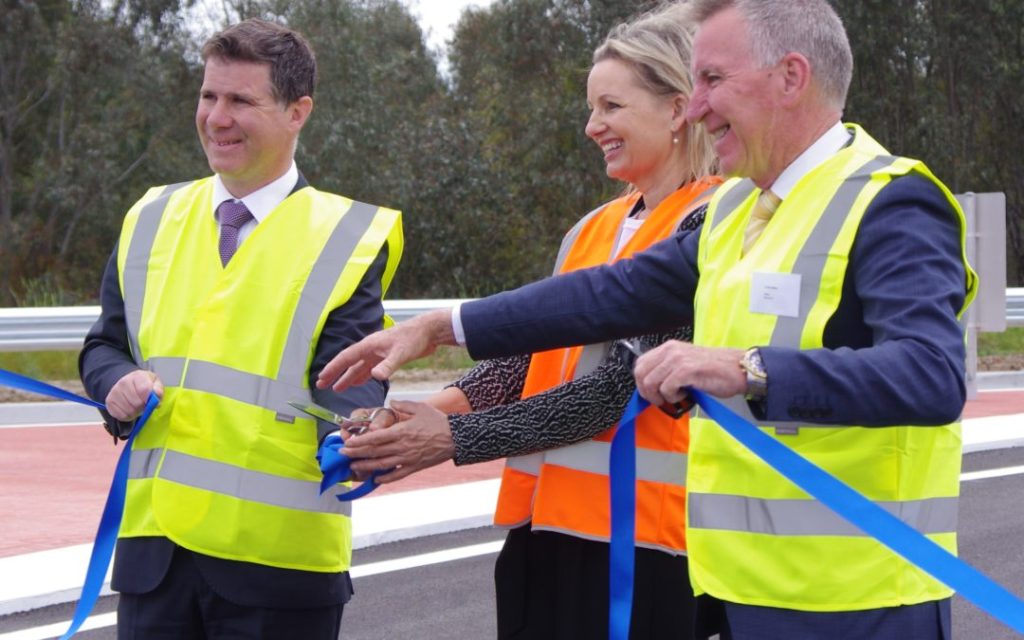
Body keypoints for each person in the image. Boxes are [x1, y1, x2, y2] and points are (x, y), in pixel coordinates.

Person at [318, 0, 978, 638]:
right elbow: (605, 295)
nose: (695, 106)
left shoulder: (893, 202)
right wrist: (445, 326)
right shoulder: (737, 214)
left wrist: (742, 368)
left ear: (791, 77)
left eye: (712, 80)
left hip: (860, 600)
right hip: (742, 590)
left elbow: (932, 374)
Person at [341, 4, 719, 638]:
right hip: (544, 532)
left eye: (612, 107)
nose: (593, 125)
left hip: (643, 547)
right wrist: (415, 414)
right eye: (592, 107)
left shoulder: (710, 224)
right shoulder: (592, 229)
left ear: (677, 109)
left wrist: (453, 440)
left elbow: (613, 391)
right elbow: (527, 366)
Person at [79, 18, 402, 639]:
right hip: (154, 558)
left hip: (278, 566)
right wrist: (113, 383)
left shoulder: (349, 236)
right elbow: (104, 344)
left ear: (297, 112)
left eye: (240, 101)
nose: (216, 117)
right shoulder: (150, 215)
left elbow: (351, 378)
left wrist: (356, 432)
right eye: (208, 96)